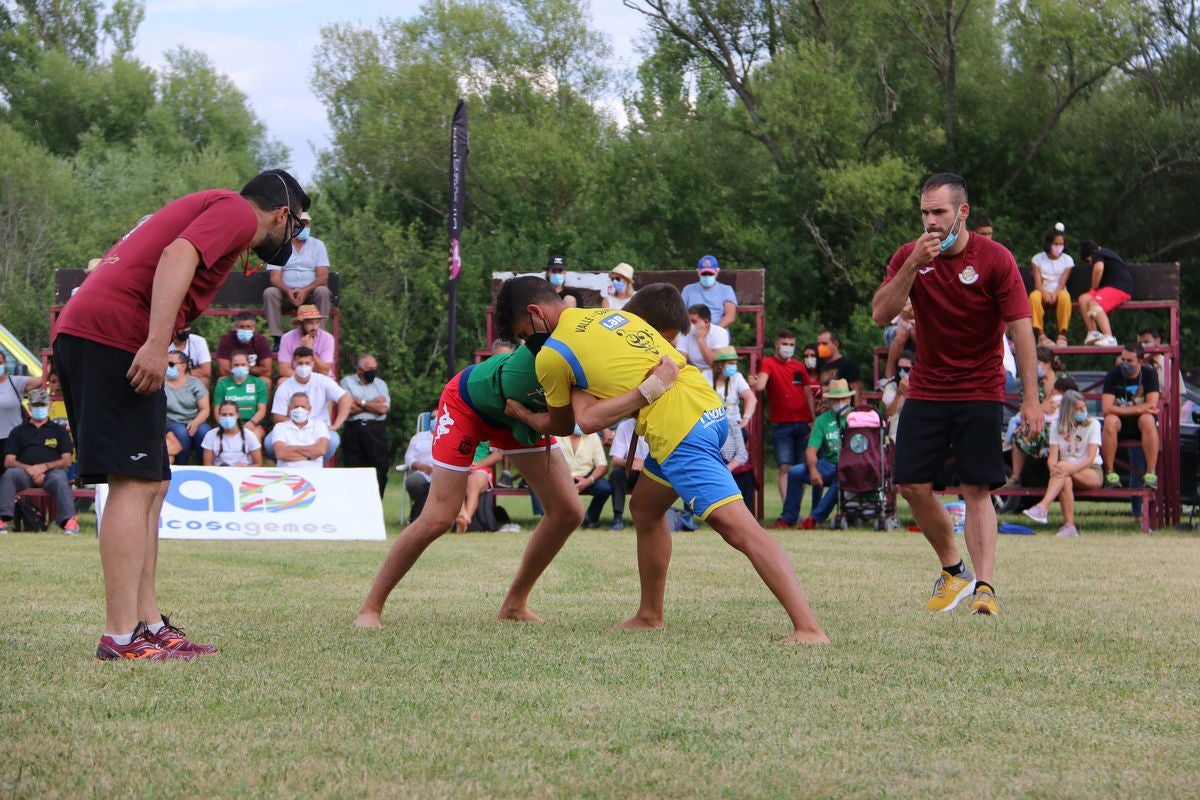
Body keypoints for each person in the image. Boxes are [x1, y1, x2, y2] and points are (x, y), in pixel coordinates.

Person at [52, 167, 308, 660]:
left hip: (98, 330)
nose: (293, 237)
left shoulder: (217, 209)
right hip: (114, 335)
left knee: (153, 481)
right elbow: (176, 255)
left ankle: (147, 624)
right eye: (296, 226)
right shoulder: (235, 211)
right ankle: (121, 635)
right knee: (134, 481)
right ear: (281, 214)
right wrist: (155, 344)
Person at [496, 276, 829, 644]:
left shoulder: (553, 354)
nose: (528, 342)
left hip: (679, 429)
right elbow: (668, 363)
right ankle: (650, 614)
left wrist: (525, 416)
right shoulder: (615, 317)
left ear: (535, 312)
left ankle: (808, 628)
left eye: (525, 333)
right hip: (706, 409)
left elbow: (572, 422)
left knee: (741, 529)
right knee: (646, 508)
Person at [353, 330, 679, 629]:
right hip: (471, 403)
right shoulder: (562, 348)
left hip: (521, 415)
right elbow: (582, 421)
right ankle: (370, 608)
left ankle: (514, 605)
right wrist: (650, 389)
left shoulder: (609, 353)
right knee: (439, 516)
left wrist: (528, 418)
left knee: (568, 511)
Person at [872, 171, 1041, 617]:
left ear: (961, 213)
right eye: (925, 212)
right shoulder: (910, 256)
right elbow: (880, 314)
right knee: (911, 484)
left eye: (939, 212)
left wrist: (1031, 398)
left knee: (976, 487)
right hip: (927, 386)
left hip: (981, 387)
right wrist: (911, 266)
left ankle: (985, 587)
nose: (930, 221)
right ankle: (954, 570)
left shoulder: (995, 259)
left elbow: (1021, 331)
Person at [1022, 390, 1101, 536]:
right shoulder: (1056, 426)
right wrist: (1053, 468)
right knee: (1064, 477)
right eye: (1077, 409)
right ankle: (1069, 526)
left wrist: (1067, 469)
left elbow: (1090, 458)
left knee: (1063, 467)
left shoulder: (1093, 424)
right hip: (1065, 473)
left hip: (1090, 470)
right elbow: (1052, 457)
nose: (1082, 411)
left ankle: (1043, 507)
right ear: (1068, 410)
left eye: (1083, 408)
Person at [775, 379, 852, 529]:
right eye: (836, 400)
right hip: (829, 464)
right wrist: (813, 470)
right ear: (829, 401)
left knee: (841, 476)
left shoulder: (857, 418)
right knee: (795, 472)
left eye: (843, 399)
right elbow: (811, 450)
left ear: (849, 398)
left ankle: (814, 518)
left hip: (850, 466)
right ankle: (788, 517)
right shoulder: (822, 420)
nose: (840, 402)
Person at [750, 329, 817, 502]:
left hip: (803, 422)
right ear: (776, 344)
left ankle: (793, 510)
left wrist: (813, 420)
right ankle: (788, 508)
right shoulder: (768, 362)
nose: (788, 347)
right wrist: (755, 383)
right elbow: (761, 385)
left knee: (800, 469)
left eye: (792, 345)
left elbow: (808, 393)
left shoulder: (799, 365)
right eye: (785, 344)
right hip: (781, 424)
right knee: (785, 467)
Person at [0, 389, 78, 535]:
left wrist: (45, 467)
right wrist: (30, 469)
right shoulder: (18, 431)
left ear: (49, 406)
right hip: (23, 473)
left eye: (42, 405)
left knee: (60, 478)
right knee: (10, 474)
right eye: (36, 405)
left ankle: (69, 521)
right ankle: (2, 519)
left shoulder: (59, 431)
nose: (39, 409)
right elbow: (9, 461)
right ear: (29, 407)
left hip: (52, 473)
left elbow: (67, 460)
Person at [267, 346, 351, 462]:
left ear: (312, 363)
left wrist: (336, 425)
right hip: (291, 428)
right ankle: (291, 463)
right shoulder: (285, 387)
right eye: (300, 363)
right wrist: (298, 426)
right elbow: (277, 417)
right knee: (268, 442)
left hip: (318, 428)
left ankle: (317, 464)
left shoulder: (323, 381)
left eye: (307, 363)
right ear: (294, 364)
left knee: (333, 440)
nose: (303, 367)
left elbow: (345, 398)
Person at [263, 210, 332, 344]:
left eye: (307, 224)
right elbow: (275, 278)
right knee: (270, 292)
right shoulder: (279, 246)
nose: (305, 227)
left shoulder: (318, 245)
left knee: (323, 291)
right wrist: (288, 291)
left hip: (310, 295)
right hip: (286, 295)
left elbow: (323, 277)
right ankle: (277, 338)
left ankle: (319, 337)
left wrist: (305, 290)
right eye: (302, 223)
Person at [1101, 342, 1160, 489]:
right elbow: (1107, 408)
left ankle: (1151, 473)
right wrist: (1140, 408)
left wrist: (1120, 409)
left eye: (1129, 361)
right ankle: (1110, 474)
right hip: (1119, 423)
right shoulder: (1113, 375)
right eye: (1123, 359)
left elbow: (1152, 405)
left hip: (1140, 425)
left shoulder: (1149, 374)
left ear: (1140, 361)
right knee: (1109, 421)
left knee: (1147, 419)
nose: (1124, 363)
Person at [529, 426, 612, 529]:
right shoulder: (555, 435)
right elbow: (545, 461)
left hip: (585, 477)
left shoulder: (593, 436)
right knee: (536, 481)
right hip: (559, 477)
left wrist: (588, 481)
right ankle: (547, 518)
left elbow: (602, 465)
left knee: (604, 488)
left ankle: (590, 519)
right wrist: (561, 480)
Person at [340, 353, 391, 497]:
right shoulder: (347, 382)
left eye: (375, 368)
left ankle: (377, 504)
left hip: (376, 430)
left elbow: (383, 409)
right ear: (359, 369)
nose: (373, 371)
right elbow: (347, 409)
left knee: (380, 469)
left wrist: (361, 402)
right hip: (354, 430)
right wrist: (373, 403)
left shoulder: (381, 385)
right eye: (369, 368)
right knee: (354, 470)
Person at [1078, 241, 1134, 347]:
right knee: (1083, 299)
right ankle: (1093, 332)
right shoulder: (1106, 254)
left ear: (1089, 258)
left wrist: (1093, 287)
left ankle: (1109, 337)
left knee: (1094, 304)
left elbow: (1098, 268)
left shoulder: (1097, 254)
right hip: (1109, 288)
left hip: (1120, 288)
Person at [1029, 223, 1074, 347]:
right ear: (1049, 243)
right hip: (1042, 290)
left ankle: (1062, 335)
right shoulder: (1037, 259)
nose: (1058, 247)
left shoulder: (1067, 260)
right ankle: (1040, 335)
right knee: (1034, 297)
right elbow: (1037, 282)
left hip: (1059, 292)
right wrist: (1045, 293)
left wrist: (1054, 294)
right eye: (1056, 244)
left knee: (1065, 297)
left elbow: (1062, 282)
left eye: (1061, 244)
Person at [163, 354, 211, 466]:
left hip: (194, 420)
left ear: (184, 366)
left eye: (171, 364)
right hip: (170, 422)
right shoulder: (160, 383)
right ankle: (182, 466)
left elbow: (205, 409)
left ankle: (206, 466)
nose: (167, 366)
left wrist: (195, 423)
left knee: (204, 431)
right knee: (181, 432)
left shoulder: (195, 383)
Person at [211, 350, 268, 441]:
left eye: (243, 364)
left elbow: (262, 410)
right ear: (230, 366)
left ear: (249, 365)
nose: (239, 367)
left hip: (253, 424)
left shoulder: (259, 383)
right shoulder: (223, 384)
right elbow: (217, 411)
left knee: (253, 437)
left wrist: (252, 422)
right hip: (227, 423)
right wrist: (226, 426)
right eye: (236, 365)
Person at [607, 417, 649, 531]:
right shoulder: (624, 426)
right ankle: (618, 518)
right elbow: (615, 460)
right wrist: (630, 462)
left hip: (651, 472)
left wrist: (644, 464)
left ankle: (652, 519)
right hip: (630, 470)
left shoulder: (660, 424)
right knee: (616, 474)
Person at [0, 350, 42, 456]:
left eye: (0, 363)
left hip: (13, 441)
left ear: (5, 364)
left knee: (13, 471)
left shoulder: (15, 382)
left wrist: (52, 360)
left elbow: (42, 379)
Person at [272, 394, 330, 469]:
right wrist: (310, 457)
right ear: (289, 408)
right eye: (296, 407)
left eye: (303, 407)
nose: (299, 409)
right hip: (287, 473)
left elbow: (321, 450)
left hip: (314, 472)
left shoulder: (319, 425)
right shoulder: (280, 427)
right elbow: (281, 454)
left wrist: (293, 448)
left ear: (309, 409)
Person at [215, 311, 274, 385]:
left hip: (254, 378)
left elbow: (267, 371)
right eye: (241, 327)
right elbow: (224, 371)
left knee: (266, 381)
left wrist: (244, 368)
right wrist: (245, 370)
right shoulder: (226, 340)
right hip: (232, 378)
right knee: (222, 380)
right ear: (236, 328)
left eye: (248, 327)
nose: (245, 329)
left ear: (253, 328)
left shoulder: (260, 340)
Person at [675, 304, 730, 382]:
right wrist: (699, 371)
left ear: (706, 322)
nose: (689, 324)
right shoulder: (685, 333)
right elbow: (680, 362)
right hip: (693, 376)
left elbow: (715, 363)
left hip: (716, 376)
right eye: (688, 321)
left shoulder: (721, 333)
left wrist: (700, 340)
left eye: (693, 321)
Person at [277, 305, 336, 378]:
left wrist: (309, 349)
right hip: (295, 377)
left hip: (321, 378)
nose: (315, 327)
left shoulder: (327, 338)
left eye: (317, 322)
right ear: (301, 323)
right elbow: (284, 370)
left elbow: (324, 371)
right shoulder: (287, 338)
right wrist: (303, 380)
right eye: (310, 323)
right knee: (282, 381)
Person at [201, 401, 263, 467]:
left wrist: (245, 468)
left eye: (231, 414)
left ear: (238, 415)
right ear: (219, 415)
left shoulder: (249, 435)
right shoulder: (210, 435)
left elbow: (258, 463)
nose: (227, 417)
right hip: (219, 473)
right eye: (224, 415)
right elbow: (207, 464)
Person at [680, 255, 737, 328]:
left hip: (718, 331)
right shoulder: (688, 289)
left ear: (717, 272)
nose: (707, 276)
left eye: (710, 273)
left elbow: (730, 316)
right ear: (698, 272)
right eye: (704, 273)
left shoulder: (726, 290)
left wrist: (713, 332)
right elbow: (681, 314)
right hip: (693, 331)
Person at [711, 347, 756, 431]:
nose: (734, 366)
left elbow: (751, 398)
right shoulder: (705, 376)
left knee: (742, 435)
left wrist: (745, 419)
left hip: (733, 424)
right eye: (731, 363)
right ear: (720, 365)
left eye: (735, 363)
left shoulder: (737, 376)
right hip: (711, 425)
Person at [402, 412, 435, 523]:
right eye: (432, 418)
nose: (434, 420)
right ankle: (420, 516)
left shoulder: (451, 437)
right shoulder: (418, 437)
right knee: (413, 481)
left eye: (438, 417)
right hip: (422, 473)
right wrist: (420, 466)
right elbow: (408, 457)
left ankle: (420, 516)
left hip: (443, 475)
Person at [815, 329, 864, 405]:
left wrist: (856, 413)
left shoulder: (847, 364)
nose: (821, 347)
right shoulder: (822, 367)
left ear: (835, 344)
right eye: (818, 344)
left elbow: (857, 392)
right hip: (827, 413)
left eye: (824, 343)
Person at [881, 350, 914, 443]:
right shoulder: (891, 386)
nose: (902, 372)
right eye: (899, 368)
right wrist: (899, 393)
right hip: (895, 434)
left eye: (906, 369)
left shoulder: (922, 386)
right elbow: (889, 413)